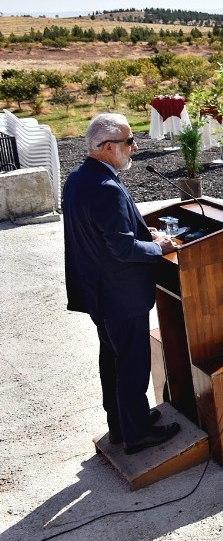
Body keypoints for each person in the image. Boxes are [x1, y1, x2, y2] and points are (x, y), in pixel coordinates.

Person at [63, 113, 181, 454]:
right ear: (108, 147)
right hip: (120, 294)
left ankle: (121, 424)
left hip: (98, 291)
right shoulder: (106, 188)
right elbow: (123, 248)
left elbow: (103, 232)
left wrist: (144, 232)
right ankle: (137, 434)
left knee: (112, 360)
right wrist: (159, 247)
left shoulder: (79, 179)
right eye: (129, 141)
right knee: (131, 364)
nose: (135, 147)